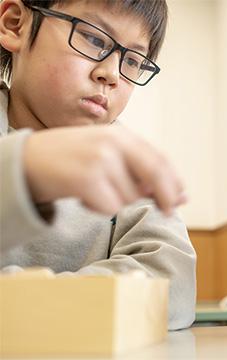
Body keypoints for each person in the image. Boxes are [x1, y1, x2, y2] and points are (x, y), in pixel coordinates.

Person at [0, 0, 196, 330]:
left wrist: (28, 305)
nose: (111, 74)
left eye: (133, 60)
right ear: (15, 24)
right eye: (93, 39)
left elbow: (172, 285)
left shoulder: (129, 165)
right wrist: (25, 168)